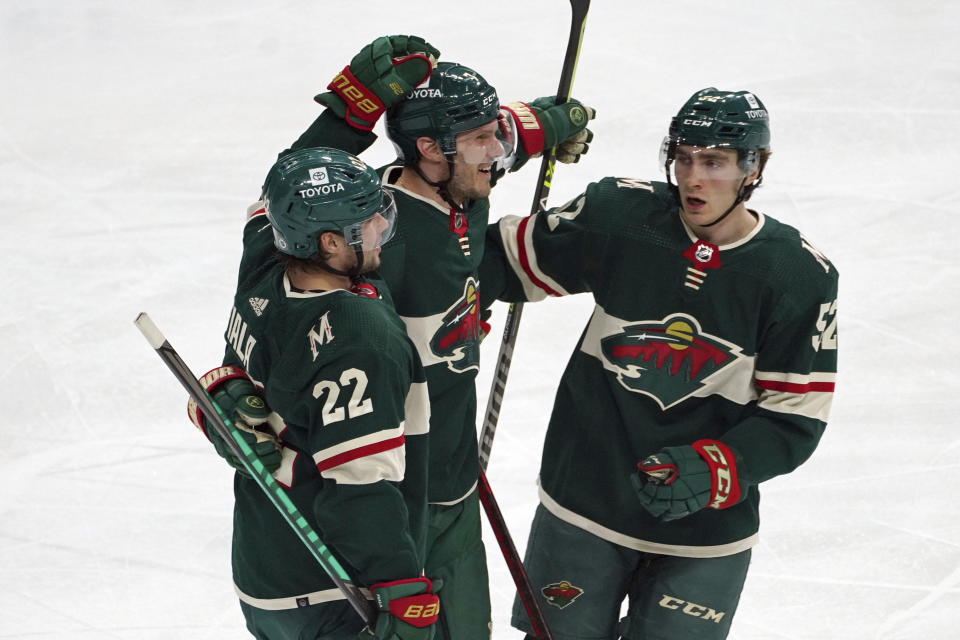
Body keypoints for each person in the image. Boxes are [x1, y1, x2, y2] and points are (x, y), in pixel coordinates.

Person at [262, 35, 595, 639]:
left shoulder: (464, 175)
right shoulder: (377, 236)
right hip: (397, 492)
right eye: (480, 141)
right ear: (428, 150)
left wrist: (547, 123)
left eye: (494, 134)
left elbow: (510, 136)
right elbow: (278, 223)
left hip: (456, 477)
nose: (498, 151)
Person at [481, 88, 839, 639]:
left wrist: (726, 465)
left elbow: (796, 414)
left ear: (755, 167)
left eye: (714, 162)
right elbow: (490, 262)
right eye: (684, 157)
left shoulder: (797, 277)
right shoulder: (620, 219)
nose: (693, 178)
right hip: (583, 503)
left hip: (706, 532)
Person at [189, 146, 439, 639]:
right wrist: (402, 590)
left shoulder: (267, 261)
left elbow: (280, 186)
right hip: (334, 589)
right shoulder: (358, 336)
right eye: (368, 223)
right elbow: (359, 490)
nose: (380, 232)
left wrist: (350, 109)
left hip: (264, 567)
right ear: (329, 242)